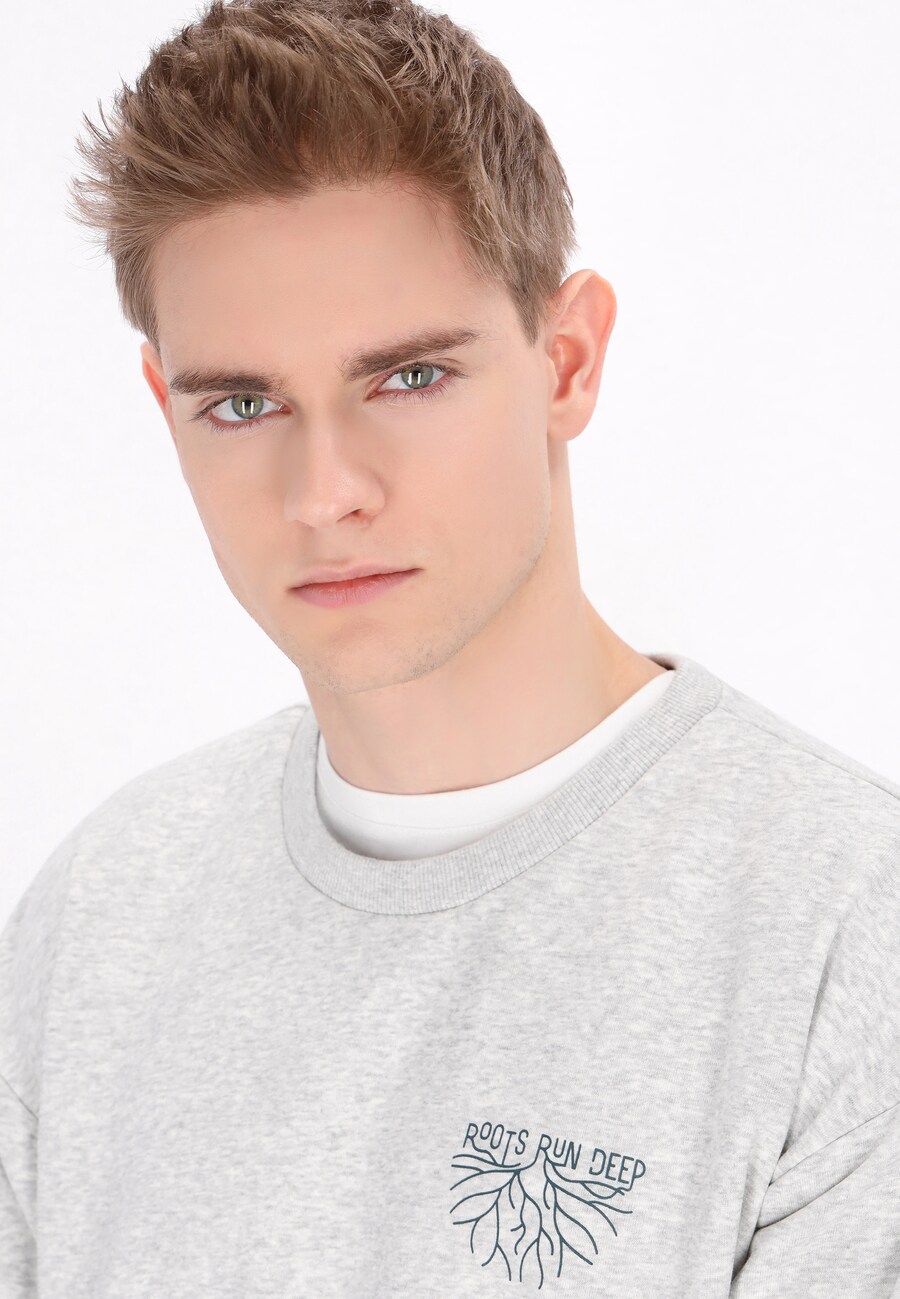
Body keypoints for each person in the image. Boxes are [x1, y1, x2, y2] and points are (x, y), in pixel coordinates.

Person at [1, 0, 898, 1294]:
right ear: (165, 406)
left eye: (408, 377)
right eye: (243, 403)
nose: (326, 492)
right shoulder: (99, 916)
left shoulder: (845, 935)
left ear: (567, 361)